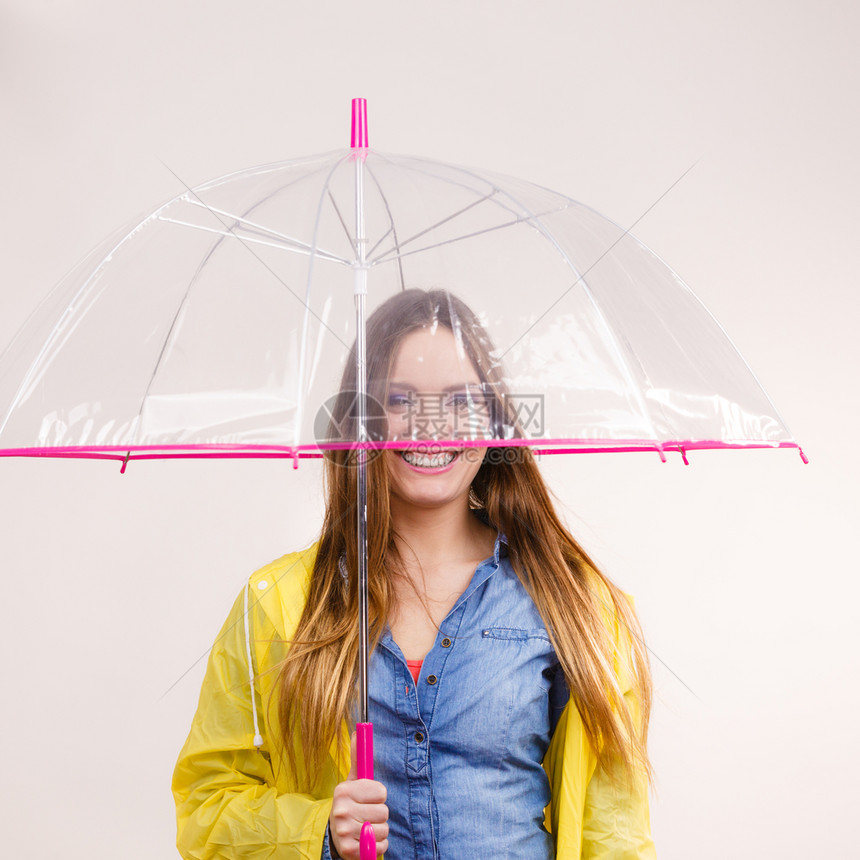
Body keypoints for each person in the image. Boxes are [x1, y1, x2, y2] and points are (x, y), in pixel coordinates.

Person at [172, 289, 656, 859]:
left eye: (460, 401)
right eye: (400, 399)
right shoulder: (277, 605)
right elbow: (206, 807)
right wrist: (319, 831)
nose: (431, 427)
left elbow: (616, 836)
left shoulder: (575, 605)